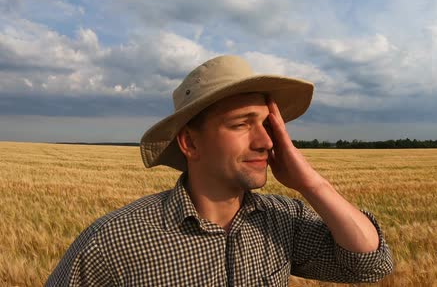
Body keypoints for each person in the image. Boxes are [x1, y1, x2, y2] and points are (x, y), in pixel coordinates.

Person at [46, 55, 393, 286]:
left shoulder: (282, 221)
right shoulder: (118, 240)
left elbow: (370, 265)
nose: (266, 141)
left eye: (268, 125)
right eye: (242, 124)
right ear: (190, 143)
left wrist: (312, 183)